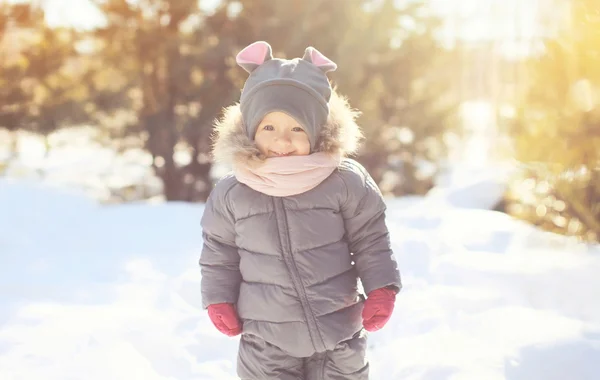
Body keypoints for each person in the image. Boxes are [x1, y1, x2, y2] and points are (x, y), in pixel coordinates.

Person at [199, 40, 402, 380]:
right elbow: (218, 253)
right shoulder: (232, 193)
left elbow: (371, 239)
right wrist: (218, 298)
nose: (283, 141)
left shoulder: (344, 181)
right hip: (266, 340)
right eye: (269, 128)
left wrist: (382, 286)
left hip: (339, 332)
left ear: (317, 130)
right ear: (251, 130)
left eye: (297, 128)